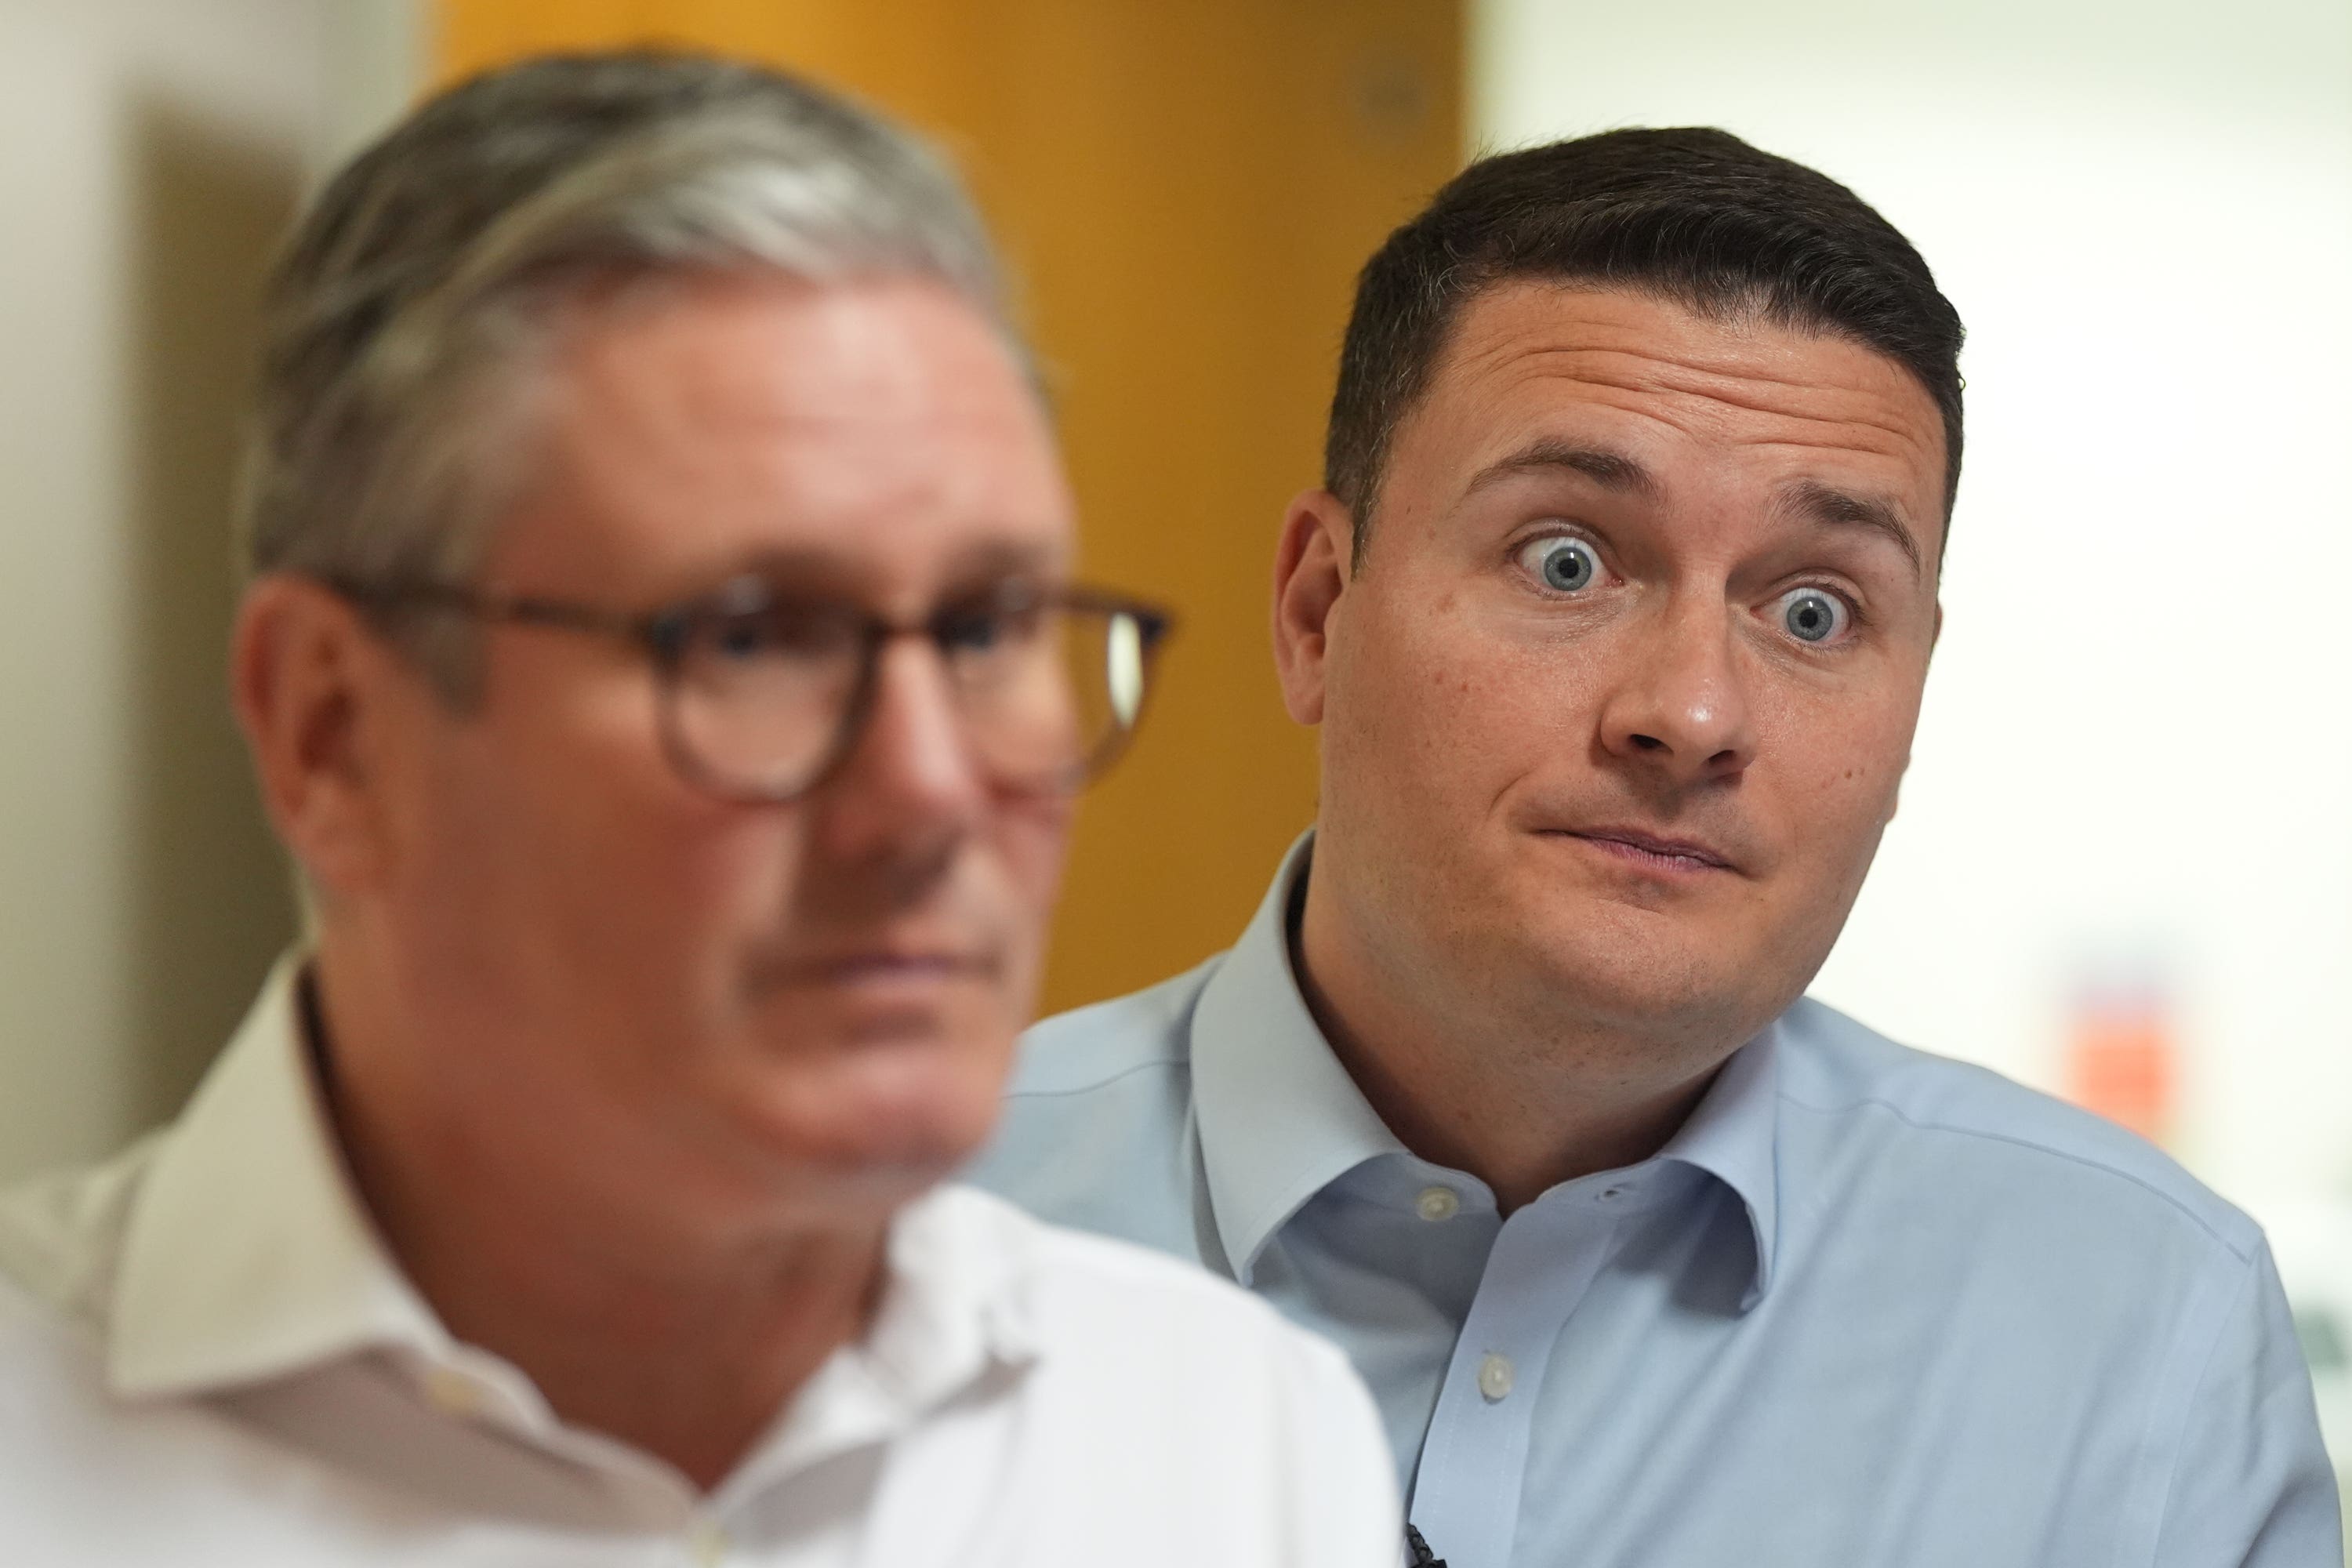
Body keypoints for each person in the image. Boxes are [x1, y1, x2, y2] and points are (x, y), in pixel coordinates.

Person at [0, 52, 1401, 1566]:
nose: (931, 791)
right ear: (334, 736)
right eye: (751, 637)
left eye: (991, 624)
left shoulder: (1230, 1442)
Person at [971, 127, 2343, 1567]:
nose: (1690, 714)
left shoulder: (2141, 1332)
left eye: (1814, 611)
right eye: (1566, 560)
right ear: (1320, 612)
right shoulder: (860, 1241)